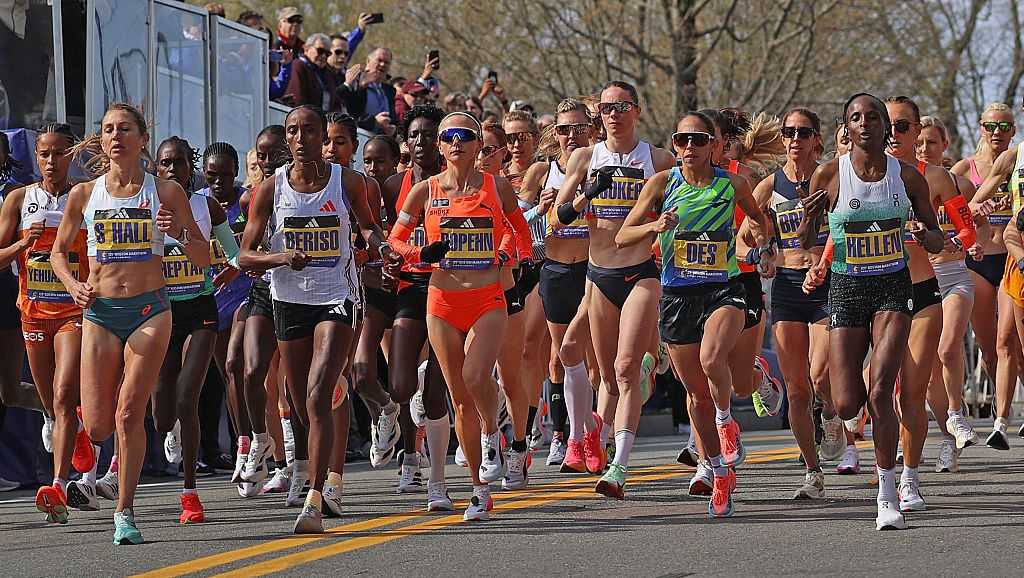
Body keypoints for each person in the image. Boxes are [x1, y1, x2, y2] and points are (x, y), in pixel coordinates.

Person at [51, 103, 209, 544]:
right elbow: (59, 253)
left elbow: (203, 258)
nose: (115, 135)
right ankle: (85, 430)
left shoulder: (167, 192)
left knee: (128, 413)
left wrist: (180, 230)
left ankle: (125, 511)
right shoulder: (85, 195)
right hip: (100, 313)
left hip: (149, 311)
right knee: (100, 426)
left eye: (124, 129)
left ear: (142, 139)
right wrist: (71, 284)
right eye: (107, 130)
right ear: (101, 140)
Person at [239, 105, 394, 534]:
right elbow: (244, 255)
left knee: (317, 393)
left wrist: (381, 249)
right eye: (294, 131)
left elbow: (367, 228)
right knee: (300, 396)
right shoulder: (270, 190)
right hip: (287, 300)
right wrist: (280, 257)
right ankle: (327, 471)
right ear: (286, 139)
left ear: (322, 136)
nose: (302, 137)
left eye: (310, 130)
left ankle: (316, 495)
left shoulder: (348, 182)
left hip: (337, 296)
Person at [617, 111, 774, 517]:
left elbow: (759, 221)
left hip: (723, 289)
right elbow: (622, 235)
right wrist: (654, 228)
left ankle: (726, 422)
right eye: (682, 140)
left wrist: (762, 246)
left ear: (714, 146)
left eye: (699, 140)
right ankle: (719, 472)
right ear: (674, 145)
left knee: (711, 359)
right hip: (677, 295)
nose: (689, 147)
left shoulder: (733, 183)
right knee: (695, 394)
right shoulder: (662, 184)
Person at [799, 93, 944, 531]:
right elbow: (807, 239)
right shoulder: (829, 174)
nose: (865, 124)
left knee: (882, 391)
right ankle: (836, 419)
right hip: (847, 289)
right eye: (856, 118)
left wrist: (923, 231)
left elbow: (938, 241)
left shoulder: (909, 177)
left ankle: (887, 494)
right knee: (846, 403)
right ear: (846, 128)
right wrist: (809, 219)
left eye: (873, 118)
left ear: (885, 127)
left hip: (893, 288)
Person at [388, 111, 533, 521]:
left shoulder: (496, 186)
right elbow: (395, 240)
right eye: (449, 136)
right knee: (460, 399)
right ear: (440, 145)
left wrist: (506, 253)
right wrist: (420, 254)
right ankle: (478, 487)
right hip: (442, 301)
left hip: (487, 297)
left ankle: (493, 426)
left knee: (474, 377)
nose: (456, 143)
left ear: (477, 146)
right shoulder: (424, 190)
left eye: (465, 136)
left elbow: (518, 231)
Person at [551, 81, 676, 498]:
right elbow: (558, 220)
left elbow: (681, 206)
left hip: (641, 271)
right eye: (606, 108)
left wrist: (664, 232)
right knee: (604, 374)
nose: (614, 113)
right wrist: (590, 194)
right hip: (598, 275)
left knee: (623, 370)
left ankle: (619, 466)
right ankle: (601, 435)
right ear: (598, 115)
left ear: (636, 111)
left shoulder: (657, 159)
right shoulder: (586, 157)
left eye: (622, 106)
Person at [748, 108, 855, 497]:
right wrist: (761, 246)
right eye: (789, 133)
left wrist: (826, 261)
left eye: (803, 132)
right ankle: (812, 472)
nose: (794, 139)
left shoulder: (834, 178)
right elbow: (749, 227)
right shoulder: (769, 185)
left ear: (816, 140)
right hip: (789, 286)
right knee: (795, 389)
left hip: (829, 282)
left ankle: (829, 415)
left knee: (821, 373)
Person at [882, 96, 979, 512]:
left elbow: (969, 230)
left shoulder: (936, 178)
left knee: (915, 386)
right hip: (878, 290)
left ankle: (909, 477)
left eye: (903, 127)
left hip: (930, 283)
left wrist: (948, 241)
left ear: (917, 130)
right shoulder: (862, 176)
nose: (893, 135)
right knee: (876, 387)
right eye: (886, 126)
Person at [0, 123, 98, 523]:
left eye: (59, 153)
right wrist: (23, 244)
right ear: (36, 157)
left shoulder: (86, 197)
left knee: (62, 392)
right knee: (51, 405)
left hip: (73, 313)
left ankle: (58, 484)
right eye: (44, 154)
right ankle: (70, 432)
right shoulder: (19, 198)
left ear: (71, 155)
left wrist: (85, 286)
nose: (52, 161)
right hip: (33, 312)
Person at [151, 136, 242, 524]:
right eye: (165, 163)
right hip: (159, 314)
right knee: (161, 415)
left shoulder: (207, 206)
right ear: (156, 168)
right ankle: (171, 430)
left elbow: (235, 254)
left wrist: (230, 267)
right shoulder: (145, 207)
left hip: (200, 311)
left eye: (179, 163)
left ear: (192, 168)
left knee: (188, 397)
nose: (172, 169)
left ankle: (189, 494)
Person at [371, 106, 453, 511]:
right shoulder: (393, 186)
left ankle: (437, 482)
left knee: (436, 395)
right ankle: (410, 395)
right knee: (401, 385)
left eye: (429, 135)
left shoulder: (454, 186)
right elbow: (390, 237)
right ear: (407, 142)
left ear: (441, 142)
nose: (421, 142)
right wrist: (389, 259)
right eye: (414, 135)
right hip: (408, 288)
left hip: (448, 291)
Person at [521, 99, 595, 466]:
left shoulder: (601, 164)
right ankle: (568, 435)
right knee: (563, 357)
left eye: (578, 128)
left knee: (593, 358)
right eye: (563, 129)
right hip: (554, 269)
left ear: (591, 130)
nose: (571, 136)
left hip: (592, 269)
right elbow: (515, 220)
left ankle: (592, 435)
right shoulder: (540, 172)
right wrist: (540, 206)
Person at [917, 115, 984, 469]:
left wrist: (964, 242)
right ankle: (948, 438)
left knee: (948, 347)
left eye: (931, 142)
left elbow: (974, 228)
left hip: (955, 275)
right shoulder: (903, 185)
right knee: (927, 373)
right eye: (920, 143)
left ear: (945, 146)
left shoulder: (960, 184)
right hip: (924, 280)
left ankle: (957, 413)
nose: (924, 149)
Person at [952, 102, 1020, 447]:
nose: (997, 133)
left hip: (1011, 257)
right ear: (981, 127)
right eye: (991, 126)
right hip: (979, 261)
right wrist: (977, 210)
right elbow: (955, 212)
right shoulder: (967, 167)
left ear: (1013, 130)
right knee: (992, 345)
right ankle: (999, 403)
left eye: (1005, 127)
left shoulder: (1016, 162)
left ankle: (1005, 411)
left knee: (1012, 340)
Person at [237, 126, 294, 500]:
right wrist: (269, 259)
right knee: (254, 372)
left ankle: (296, 465)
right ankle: (262, 444)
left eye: (276, 152)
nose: (268, 160)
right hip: (265, 289)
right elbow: (245, 252)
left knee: (292, 389)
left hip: (306, 293)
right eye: (262, 153)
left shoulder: (316, 186)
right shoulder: (252, 198)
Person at [351, 48, 397, 135]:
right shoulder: (354, 81)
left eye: (386, 62)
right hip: (358, 137)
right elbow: (351, 113)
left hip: (381, 142)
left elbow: (393, 118)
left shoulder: (389, 90)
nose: (383, 64)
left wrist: (392, 129)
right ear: (368, 61)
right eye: (379, 60)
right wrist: (374, 122)